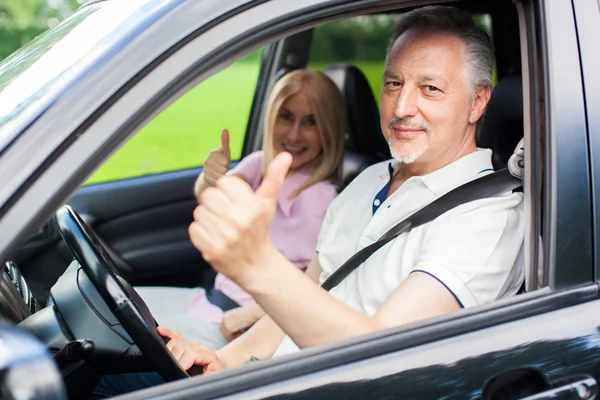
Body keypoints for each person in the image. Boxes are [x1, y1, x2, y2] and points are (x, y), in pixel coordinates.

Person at [91, 5, 525, 397]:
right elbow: (306, 297)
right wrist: (225, 361)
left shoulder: (489, 218)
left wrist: (257, 265)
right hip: (271, 377)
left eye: (430, 89)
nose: (402, 105)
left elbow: (381, 364)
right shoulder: (369, 180)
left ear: (477, 101)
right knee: (95, 367)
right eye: (394, 82)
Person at [135, 69, 346, 350]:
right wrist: (210, 177)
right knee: (120, 302)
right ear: (271, 118)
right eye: (286, 117)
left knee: (127, 339)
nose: (294, 133)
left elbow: (320, 286)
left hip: (241, 325)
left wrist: (256, 314)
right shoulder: (260, 164)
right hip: (213, 298)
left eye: (310, 122)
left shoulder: (325, 201)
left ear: (328, 130)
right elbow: (211, 196)